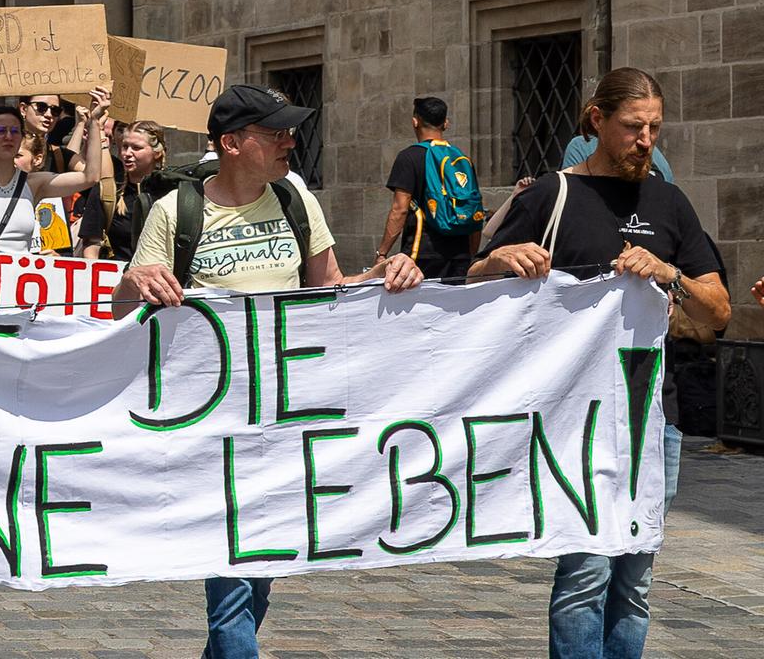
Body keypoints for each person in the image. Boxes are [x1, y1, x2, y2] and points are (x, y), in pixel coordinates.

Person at [111, 83, 423, 659]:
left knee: (260, 569)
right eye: (274, 132)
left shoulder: (295, 201)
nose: (290, 140)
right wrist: (136, 283)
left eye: (290, 130)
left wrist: (389, 273)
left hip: (284, 418)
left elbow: (329, 291)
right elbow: (122, 312)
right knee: (232, 573)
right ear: (231, 143)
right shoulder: (175, 211)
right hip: (214, 424)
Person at [466, 68, 728, 659]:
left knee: (634, 582)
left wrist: (671, 274)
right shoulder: (550, 196)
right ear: (597, 120)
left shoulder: (668, 201)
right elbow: (468, 283)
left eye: (656, 128)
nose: (646, 141)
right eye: (634, 127)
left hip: (653, 421)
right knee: (586, 574)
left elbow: (718, 311)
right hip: (573, 420)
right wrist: (499, 258)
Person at [0, 91, 110, 254]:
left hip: (19, 283)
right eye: (0, 130)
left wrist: (94, 123)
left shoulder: (34, 183)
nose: (8, 136)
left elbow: (90, 177)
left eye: (15, 131)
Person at [379, 97, 485, 280]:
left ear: (415, 122)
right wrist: (470, 254)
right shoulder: (462, 160)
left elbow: (399, 210)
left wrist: (382, 253)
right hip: (459, 256)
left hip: (421, 255)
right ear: (445, 123)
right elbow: (473, 209)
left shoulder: (409, 157)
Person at [77, 119, 166, 261]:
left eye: (136, 148)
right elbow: (91, 245)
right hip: (114, 280)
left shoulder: (172, 192)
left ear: (157, 153)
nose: (127, 153)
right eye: (125, 146)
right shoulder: (108, 190)